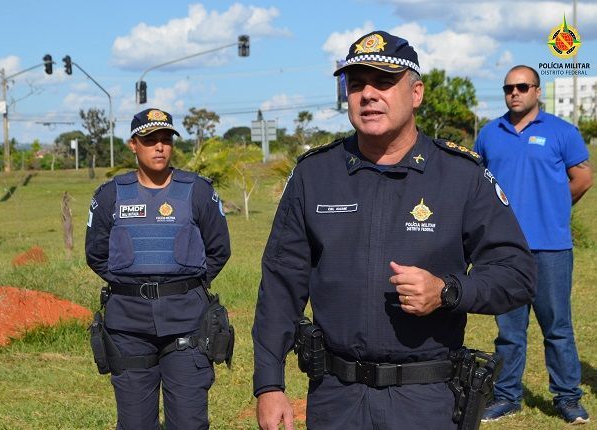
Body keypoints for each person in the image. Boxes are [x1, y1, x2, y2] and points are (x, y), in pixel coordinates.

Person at [251, 30, 537, 430]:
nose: (368, 94)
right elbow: (281, 284)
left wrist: (448, 291)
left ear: (416, 93)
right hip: (336, 397)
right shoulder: (314, 175)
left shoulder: (460, 176)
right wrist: (269, 384)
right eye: (356, 84)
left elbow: (517, 274)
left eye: (384, 81)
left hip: (427, 399)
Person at [85, 108, 231, 430]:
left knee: (189, 422)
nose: (160, 147)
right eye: (150, 140)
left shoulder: (198, 191)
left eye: (166, 139)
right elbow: (95, 254)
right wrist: (133, 288)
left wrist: (184, 287)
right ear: (133, 145)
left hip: (187, 323)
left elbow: (219, 249)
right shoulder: (110, 195)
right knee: (135, 423)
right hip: (128, 327)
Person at [475, 65, 593, 425]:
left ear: (537, 91)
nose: (515, 93)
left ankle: (568, 398)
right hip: (503, 251)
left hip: (552, 249)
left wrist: (555, 205)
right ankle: (507, 396)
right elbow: (478, 184)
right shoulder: (489, 134)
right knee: (509, 333)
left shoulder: (562, 132)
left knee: (557, 328)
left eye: (522, 86)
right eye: (509, 87)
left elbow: (583, 178)